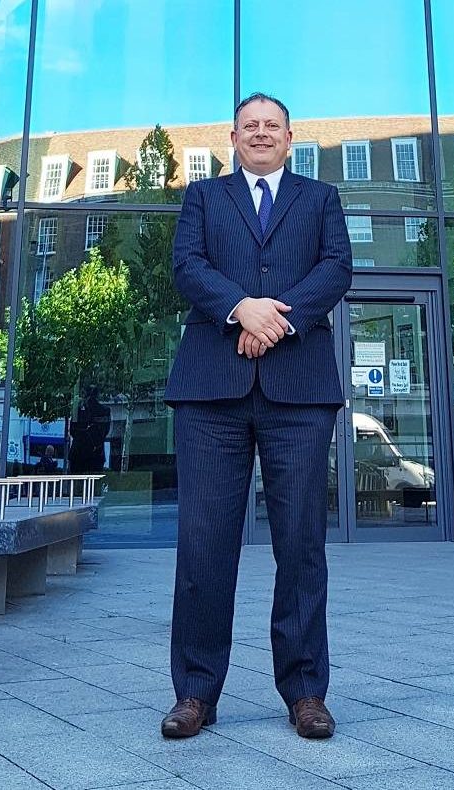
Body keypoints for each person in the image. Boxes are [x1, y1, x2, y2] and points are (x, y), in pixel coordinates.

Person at [160, 93, 352, 740]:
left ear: (290, 137)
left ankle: (304, 692)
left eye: (271, 126)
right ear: (232, 137)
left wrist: (275, 320)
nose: (261, 133)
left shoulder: (319, 198)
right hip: (210, 392)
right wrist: (241, 308)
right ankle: (194, 693)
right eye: (250, 126)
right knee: (204, 546)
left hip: (298, 393)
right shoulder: (203, 199)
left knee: (300, 546)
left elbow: (335, 269)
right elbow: (187, 266)